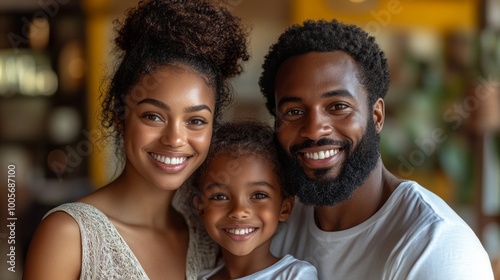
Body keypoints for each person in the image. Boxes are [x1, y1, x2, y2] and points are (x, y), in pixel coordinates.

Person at [23, 0, 249, 279]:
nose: (175, 139)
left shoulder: (209, 234)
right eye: (153, 116)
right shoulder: (69, 236)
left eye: (196, 121)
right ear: (121, 116)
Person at [258, 19, 495, 279]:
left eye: (338, 106)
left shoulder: (436, 247)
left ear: (377, 116)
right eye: (293, 111)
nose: (315, 129)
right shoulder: (271, 222)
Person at [191, 121, 318, 279]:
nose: (238, 211)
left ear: (284, 208)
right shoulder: (198, 277)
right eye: (220, 197)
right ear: (201, 208)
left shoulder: (294, 275)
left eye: (258, 195)